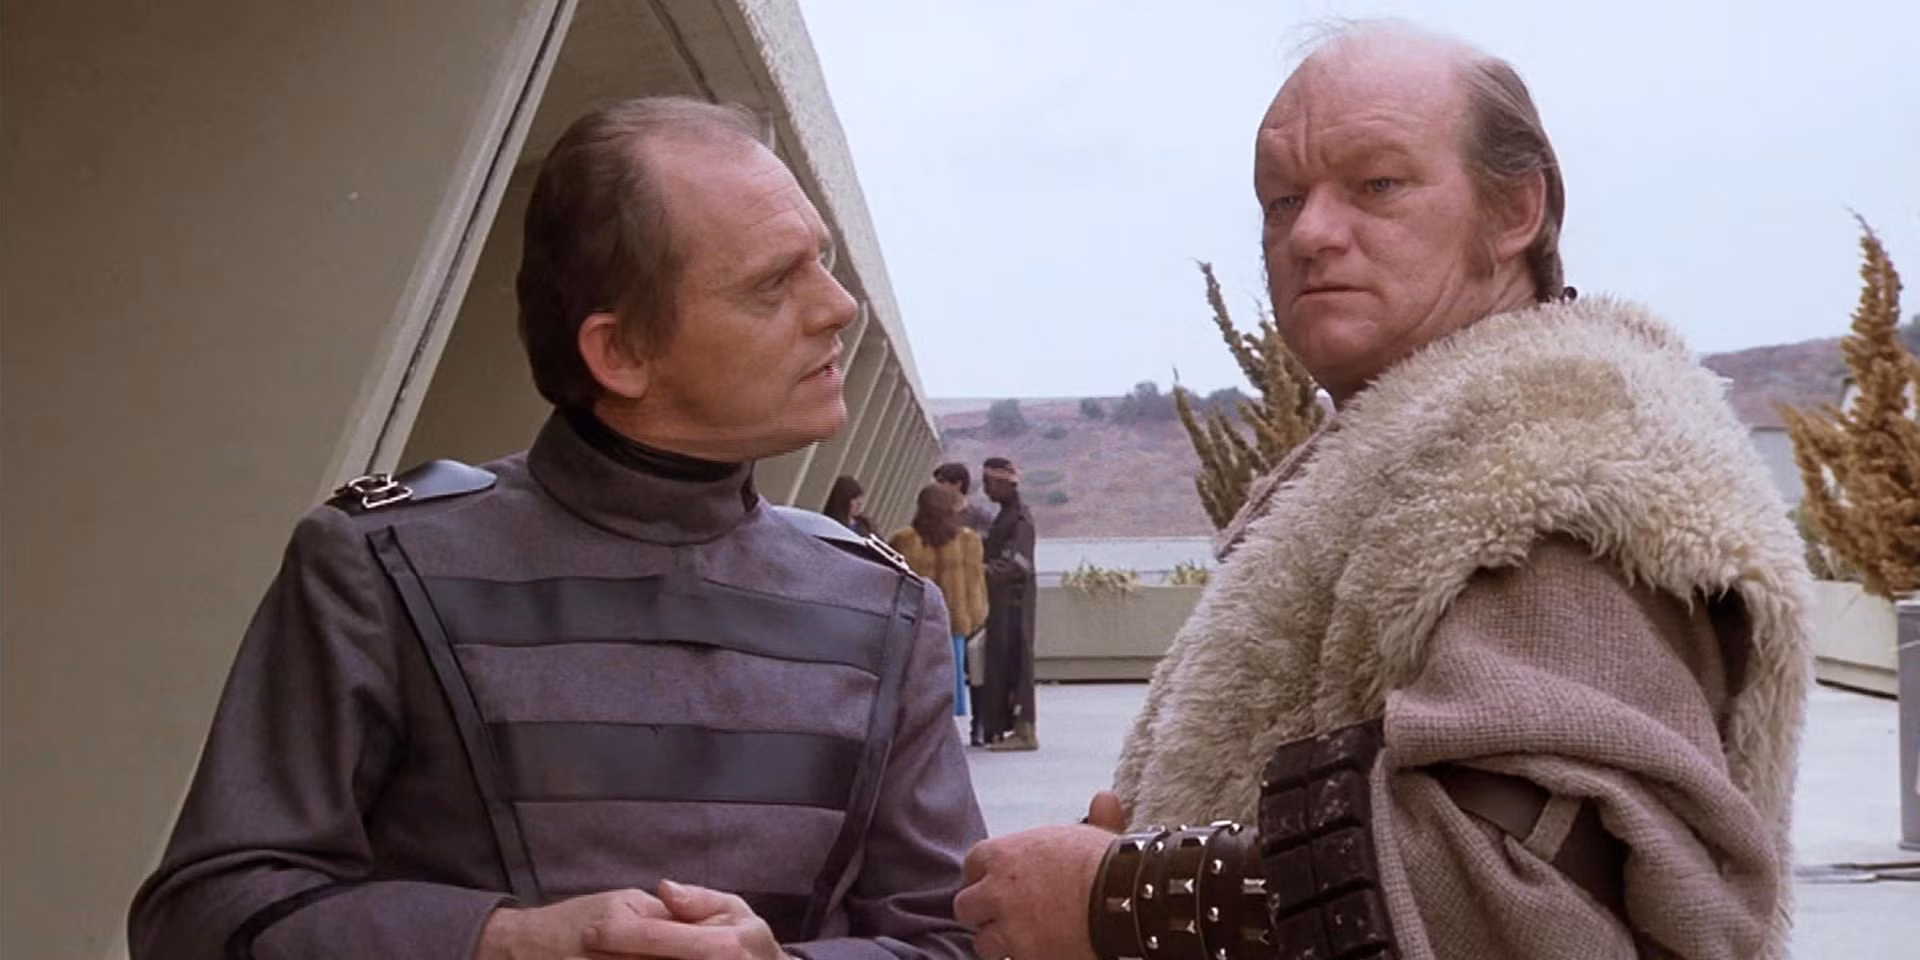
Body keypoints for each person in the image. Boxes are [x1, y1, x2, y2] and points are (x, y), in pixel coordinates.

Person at [953, 21, 1811, 960]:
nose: (1310, 234)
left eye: (1378, 184)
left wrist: (1125, 899)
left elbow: (1544, 901)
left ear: (1516, 211)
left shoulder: (1559, 455)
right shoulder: (1435, 449)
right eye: (1283, 199)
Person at [128, 96, 985, 960]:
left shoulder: (884, 605)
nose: (838, 307)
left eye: (822, 262)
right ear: (621, 353)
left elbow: (955, 938)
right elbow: (203, 915)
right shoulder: (380, 566)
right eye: (774, 282)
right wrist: (502, 941)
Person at [888, 484, 989, 731]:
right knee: (951, 673)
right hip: (954, 620)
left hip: (915, 621)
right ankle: (950, 723)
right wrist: (975, 616)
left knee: (918, 676)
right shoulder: (968, 540)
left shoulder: (904, 540)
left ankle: (923, 724)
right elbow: (975, 584)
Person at [978, 457, 1039, 752]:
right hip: (1002, 601)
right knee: (1002, 662)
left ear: (1005, 483)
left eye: (988, 482)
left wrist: (980, 573)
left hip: (1014, 601)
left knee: (1017, 662)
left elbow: (1016, 564)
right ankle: (1005, 727)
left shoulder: (1019, 519)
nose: (985, 489)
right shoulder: (1005, 516)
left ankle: (1025, 730)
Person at [933, 462, 995, 536]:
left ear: (957, 484)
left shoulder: (979, 514)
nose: (936, 486)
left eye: (941, 482)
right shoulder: (933, 512)